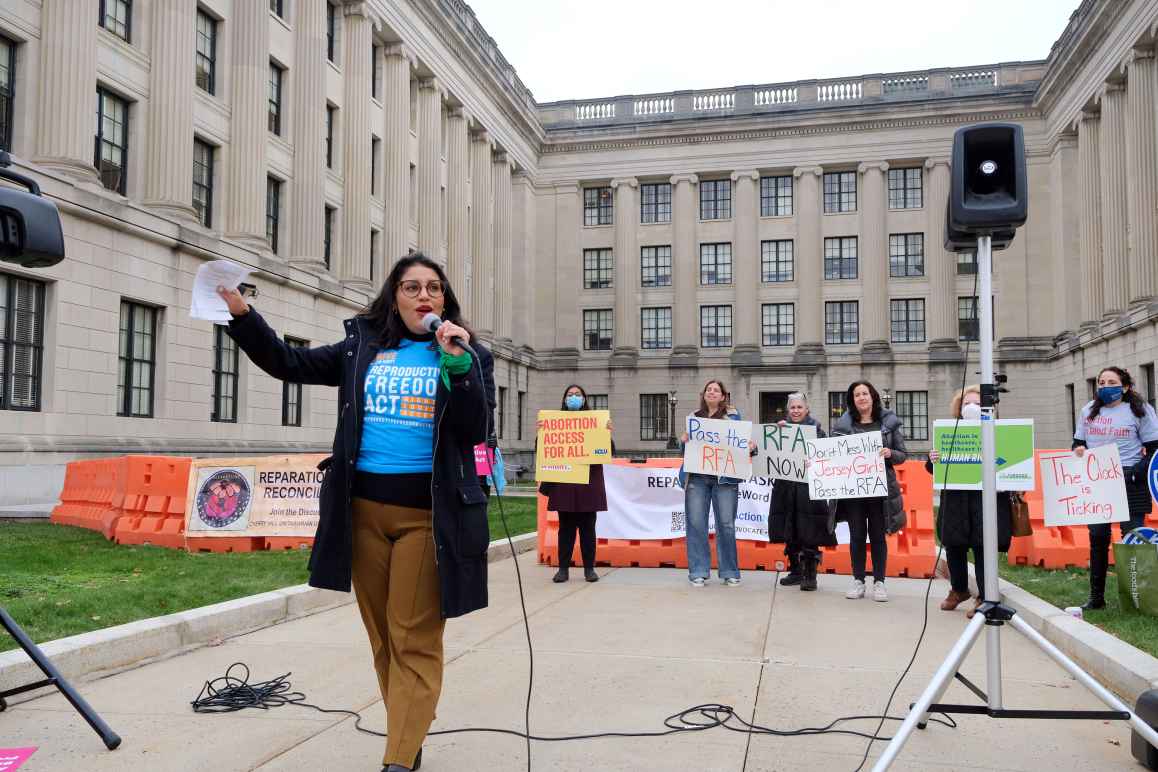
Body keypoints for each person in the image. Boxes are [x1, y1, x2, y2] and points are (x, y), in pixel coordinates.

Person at [217, 253, 492, 772]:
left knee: (413, 634)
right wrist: (241, 313)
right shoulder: (361, 348)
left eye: (433, 288)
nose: (424, 297)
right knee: (385, 637)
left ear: (445, 300)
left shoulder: (465, 354)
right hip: (361, 512)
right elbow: (287, 363)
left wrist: (460, 367)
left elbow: (475, 430)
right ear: (394, 297)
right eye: (411, 287)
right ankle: (409, 730)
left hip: (426, 519)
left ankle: (398, 759)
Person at [1072, 366, 1158, 610]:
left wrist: (1136, 474)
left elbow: (1154, 448)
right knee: (1098, 538)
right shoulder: (1088, 410)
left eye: (1111, 382)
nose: (1105, 386)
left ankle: (1136, 599)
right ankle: (1096, 598)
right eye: (1101, 382)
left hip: (1130, 479)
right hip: (1098, 481)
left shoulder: (1140, 411)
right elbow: (1078, 442)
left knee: (1132, 538)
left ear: (1125, 386)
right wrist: (1077, 451)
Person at [926, 386, 1013, 618]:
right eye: (967, 404)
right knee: (954, 545)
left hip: (985, 499)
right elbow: (933, 469)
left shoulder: (1001, 432)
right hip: (956, 500)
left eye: (977, 403)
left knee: (983, 546)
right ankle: (959, 589)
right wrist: (932, 458)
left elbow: (1012, 462)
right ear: (959, 408)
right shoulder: (949, 432)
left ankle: (985, 596)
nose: (972, 408)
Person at [832, 381, 908, 603]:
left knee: (877, 536)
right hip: (854, 491)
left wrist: (889, 453)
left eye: (865, 393)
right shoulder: (842, 426)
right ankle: (858, 580)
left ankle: (879, 582)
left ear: (873, 396)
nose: (862, 397)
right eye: (857, 395)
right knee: (856, 536)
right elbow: (832, 456)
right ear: (852, 400)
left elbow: (903, 454)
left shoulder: (888, 424)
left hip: (880, 491)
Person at [539, 384, 613, 583]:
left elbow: (608, 451)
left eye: (577, 394)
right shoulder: (554, 422)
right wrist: (542, 434)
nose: (573, 397)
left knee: (588, 527)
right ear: (564, 400)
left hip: (588, 481)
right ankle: (563, 569)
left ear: (584, 399)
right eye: (570, 395)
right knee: (566, 528)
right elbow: (543, 450)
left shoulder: (595, 422)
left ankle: (589, 568)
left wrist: (607, 433)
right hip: (565, 481)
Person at [680, 380, 746, 587]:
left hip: (724, 478)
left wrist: (749, 445)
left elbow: (739, 446)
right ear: (704, 394)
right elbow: (687, 454)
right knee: (696, 524)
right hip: (697, 477)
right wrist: (684, 442)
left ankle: (729, 571)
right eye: (709, 389)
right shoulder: (694, 418)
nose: (712, 392)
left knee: (726, 524)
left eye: (716, 390)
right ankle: (698, 571)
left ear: (723, 396)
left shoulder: (733, 418)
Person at [769, 393, 836, 591]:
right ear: (788, 410)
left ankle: (810, 575)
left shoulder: (817, 431)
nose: (796, 411)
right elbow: (767, 453)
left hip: (808, 488)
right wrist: (773, 433)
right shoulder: (780, 429)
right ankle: (796, 571)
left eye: (800, 407)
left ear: (807, 409)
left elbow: (826, 458)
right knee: (789, 528)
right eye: (793, 408)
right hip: (786, 486)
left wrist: (814, 462)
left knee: (810, 530)